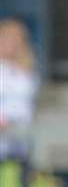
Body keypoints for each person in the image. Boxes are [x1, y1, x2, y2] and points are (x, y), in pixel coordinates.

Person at [0, 17, 38, 161]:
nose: (11, 43)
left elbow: (26, 104)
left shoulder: (26, 71)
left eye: (16, 39)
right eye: (7, 38)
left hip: (20, 140)